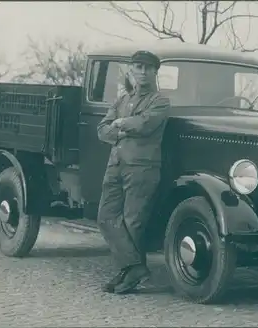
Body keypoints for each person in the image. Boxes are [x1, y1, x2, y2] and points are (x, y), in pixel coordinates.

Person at [96, 50, 170, 294]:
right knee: (106, 217)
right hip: (115, 165)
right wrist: (119, 128)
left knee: (132, 223)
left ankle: (128, 273)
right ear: (131, 71)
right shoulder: (122, 100)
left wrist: (120, 123)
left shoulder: (159, 101)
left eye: (148, 68)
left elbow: (146, 124)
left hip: (142, 168)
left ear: (155, 72)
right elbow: (102, 129)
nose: (142, 72)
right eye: (138, 67)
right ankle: (134, 267)